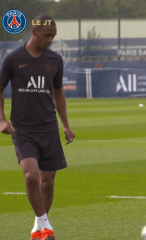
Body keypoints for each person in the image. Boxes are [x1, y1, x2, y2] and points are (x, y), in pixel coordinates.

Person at [0, 14, 75, 240]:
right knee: (31, 176)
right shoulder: (12, 59)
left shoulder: (56, 60)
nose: (50, 39)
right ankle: (46, 226)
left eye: (53, 36)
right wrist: (2, 119)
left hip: (49, 129)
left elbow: (58, 94)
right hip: (23, 130)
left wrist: (66, 125)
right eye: (46, 35)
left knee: (48, 181)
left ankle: (39, 227)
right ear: (33, 32)